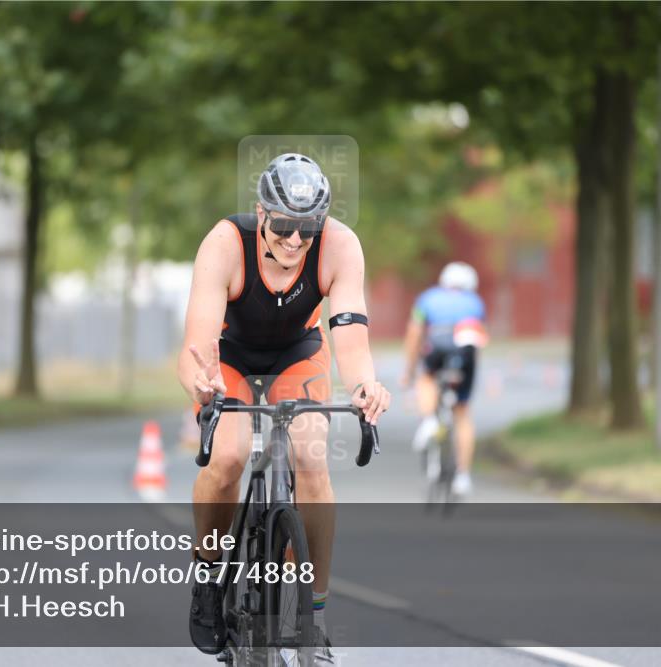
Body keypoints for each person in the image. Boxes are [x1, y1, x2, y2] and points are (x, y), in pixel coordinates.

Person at [178, 153, 391, 662]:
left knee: (312, 458)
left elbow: (351, 340)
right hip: (227, 356)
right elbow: (196, 346)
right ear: (261, 211)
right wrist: (204, 387)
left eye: (308, 226)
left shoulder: (340, 247)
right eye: (284, 224)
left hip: (299, 352)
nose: (295, 239)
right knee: (227, 457)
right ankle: (208, 575)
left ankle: (312, 619)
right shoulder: (225, 244)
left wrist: (365, 386)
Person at [400, 261, 486, 496]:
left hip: (437, 344)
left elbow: (415, 333)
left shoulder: (427, 298)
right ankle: (463, 476)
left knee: (426, 378)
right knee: (462, 413)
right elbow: (478, 340)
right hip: (465, 351)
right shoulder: (476, 303)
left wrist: (409, 372)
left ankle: (429, 420)